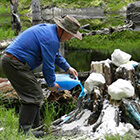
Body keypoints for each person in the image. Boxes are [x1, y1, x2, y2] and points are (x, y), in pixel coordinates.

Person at [1, 15, 82, 137]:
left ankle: (35, 128)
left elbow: (54, 55)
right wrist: (51, 84)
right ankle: (25, 131)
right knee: (34, 94)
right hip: (14, 62)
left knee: (35, 93)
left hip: (14, 61)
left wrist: (67, 67)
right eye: (70, 35)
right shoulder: (51, 39)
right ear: (62, 30)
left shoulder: (50, 32)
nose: (70, 39)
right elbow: (48, 66)